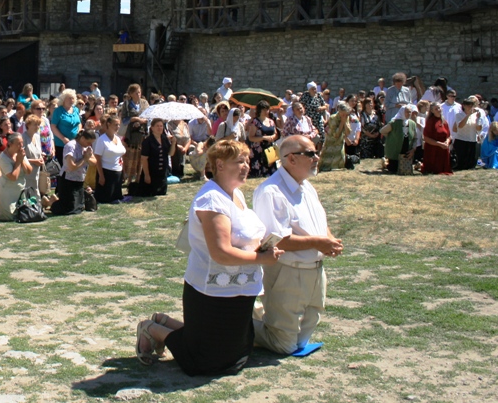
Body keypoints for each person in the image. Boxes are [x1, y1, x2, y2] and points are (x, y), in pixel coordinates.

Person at [134, 140, 281, 373]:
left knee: (234, 355)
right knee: (203, 362)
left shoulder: (237, 195)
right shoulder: (212, 199)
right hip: (212, 289)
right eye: (239, 161)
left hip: (241, 286)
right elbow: (220, 252)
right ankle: (152, 328)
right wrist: (261, 259)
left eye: (247, 161)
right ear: (220, 165)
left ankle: (164, 322)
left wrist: (261, 247)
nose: (246, 166)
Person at [252, 135, 343, 354]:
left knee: (303, 338)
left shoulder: (307, 187)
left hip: (314, 270)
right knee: (284, 344)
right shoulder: (271, 192)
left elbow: (319, 221)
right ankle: (236, 323)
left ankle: (259, 315)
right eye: (311, 153)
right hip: (288, 271)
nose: (317, 157)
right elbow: (277, 240)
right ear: (291, 159)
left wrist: (328, 239)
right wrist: (318, 242)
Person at [52, 129, 96, 216]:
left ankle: (54, 199)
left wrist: (88, 157)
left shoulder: (87, 147)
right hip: (68, 179)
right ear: (82, 138)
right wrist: (85, 159)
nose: (89, 145)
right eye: (88, 142)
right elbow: (71, 167)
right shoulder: (71, 146)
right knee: (68, 209)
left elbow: (94, 162)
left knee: (77, 208)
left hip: (79, 179)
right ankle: (50, 202)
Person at [0, 133, 32, 221]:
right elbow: (13, 177)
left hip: (20, 187)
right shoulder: (3, 157)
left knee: (22, 214)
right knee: (9, 217)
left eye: (22, 143)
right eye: (18, 143)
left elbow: (29, 171)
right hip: (7, 188)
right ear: (10, 144)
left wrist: (22, 160)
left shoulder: (20, 153)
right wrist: (18, 161)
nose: (21, 146)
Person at [135, 118, 176, 197]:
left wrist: (173, 143)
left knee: (162, 193)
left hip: (162, 173)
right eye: (157, 126)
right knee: (150, 193)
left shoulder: (165, 139)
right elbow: (144, 159)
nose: (159, 128)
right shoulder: (147, 141)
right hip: (151, 172)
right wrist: (147, 175)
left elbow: (171, 154)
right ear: (152, 128)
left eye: (161, 126)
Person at [93, 116, 125, 204]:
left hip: (118, 171)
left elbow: (120, 155)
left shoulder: (117, 138)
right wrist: (101, 176)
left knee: (117, 198)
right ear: (108, 124)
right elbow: (97, 159)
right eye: (115, 125)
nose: (118, 127)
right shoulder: (101, 140)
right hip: (107, 172)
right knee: (106, 199)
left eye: (119, 125)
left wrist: (123, 171)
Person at [380, 106, 417, 174]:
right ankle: (385, 163)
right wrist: (391, 137)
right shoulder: (394, 122)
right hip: (395, 150)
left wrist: (413, 149)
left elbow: (415, 138)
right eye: (407, 112)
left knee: (405, 170)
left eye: (410, 112)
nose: (409, 114)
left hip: (406, 149)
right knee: (393, 169)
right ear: (402, 112)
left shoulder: (412, 124)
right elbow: (382, 131)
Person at [246, 101, 278, 178]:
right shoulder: (255, 122)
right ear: (259, 110)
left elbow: (276, 134)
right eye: (264, 109)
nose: (266, 111)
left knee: (271, 172)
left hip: (269, 148)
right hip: (258, 149)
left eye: (267, 109)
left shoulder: (271, 121)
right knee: (259, 173)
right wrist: (263, 138)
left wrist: (272, 137)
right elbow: (251, 137)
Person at [50, 89, 81, 165]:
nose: (71, 100)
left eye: (73, 98)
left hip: (75, 143)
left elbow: (79, 123)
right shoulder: (58, 111)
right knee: (63, 166)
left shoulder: (76, 110)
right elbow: (53, 126)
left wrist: (79, 133)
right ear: (63, 99)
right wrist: (63, 138)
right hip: (61, 144)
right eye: (69, 98)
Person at [451, 97, 483, 171]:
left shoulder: (475, 115)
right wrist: (468, 115)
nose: (470, 107)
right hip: (461, 139)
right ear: (464, 106)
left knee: (471, 160)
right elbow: (460, 126)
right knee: (461, 160)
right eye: (468, 105)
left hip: (472, 139)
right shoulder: (459, 115)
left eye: (471, 105)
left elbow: (479, 128)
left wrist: (478, 119)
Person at [421, 102, 453, 175]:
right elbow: (426, 138)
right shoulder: (430, 121)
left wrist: (446, 142)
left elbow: (448, 135)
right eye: (436, 109)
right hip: (433, 149)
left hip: (443, 148)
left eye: (439, 108)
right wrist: (439, 144)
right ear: (432, 111)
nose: (439, 110)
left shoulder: (444, 121)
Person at [317, 103, 350, 172]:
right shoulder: (333, 118)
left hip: (340, 141)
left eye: (346, 114)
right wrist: (342, 123)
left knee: (340, 157)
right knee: (328, 160)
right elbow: (335, 134)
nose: (344, 116)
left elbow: (348, 132)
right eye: (343, 114)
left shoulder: (346, 117)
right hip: (331, 140)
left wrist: (345, 122)